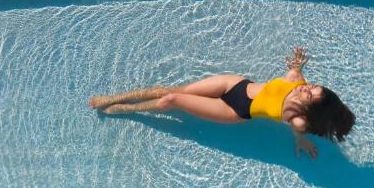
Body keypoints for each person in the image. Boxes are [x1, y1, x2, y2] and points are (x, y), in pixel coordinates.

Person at [88, 47, 355, 158]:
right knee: (172, 89)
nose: (307, 88)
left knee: (171, 99)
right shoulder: (297, 82)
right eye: (313, 86)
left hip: (234, 110)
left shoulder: (299, 117)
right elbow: (296, 71)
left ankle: (125, 108)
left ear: (311, 107)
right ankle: (113, 98)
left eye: (310, 95)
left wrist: (300, 140)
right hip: (234, 84)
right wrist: (297, 63)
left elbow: (298, 128)